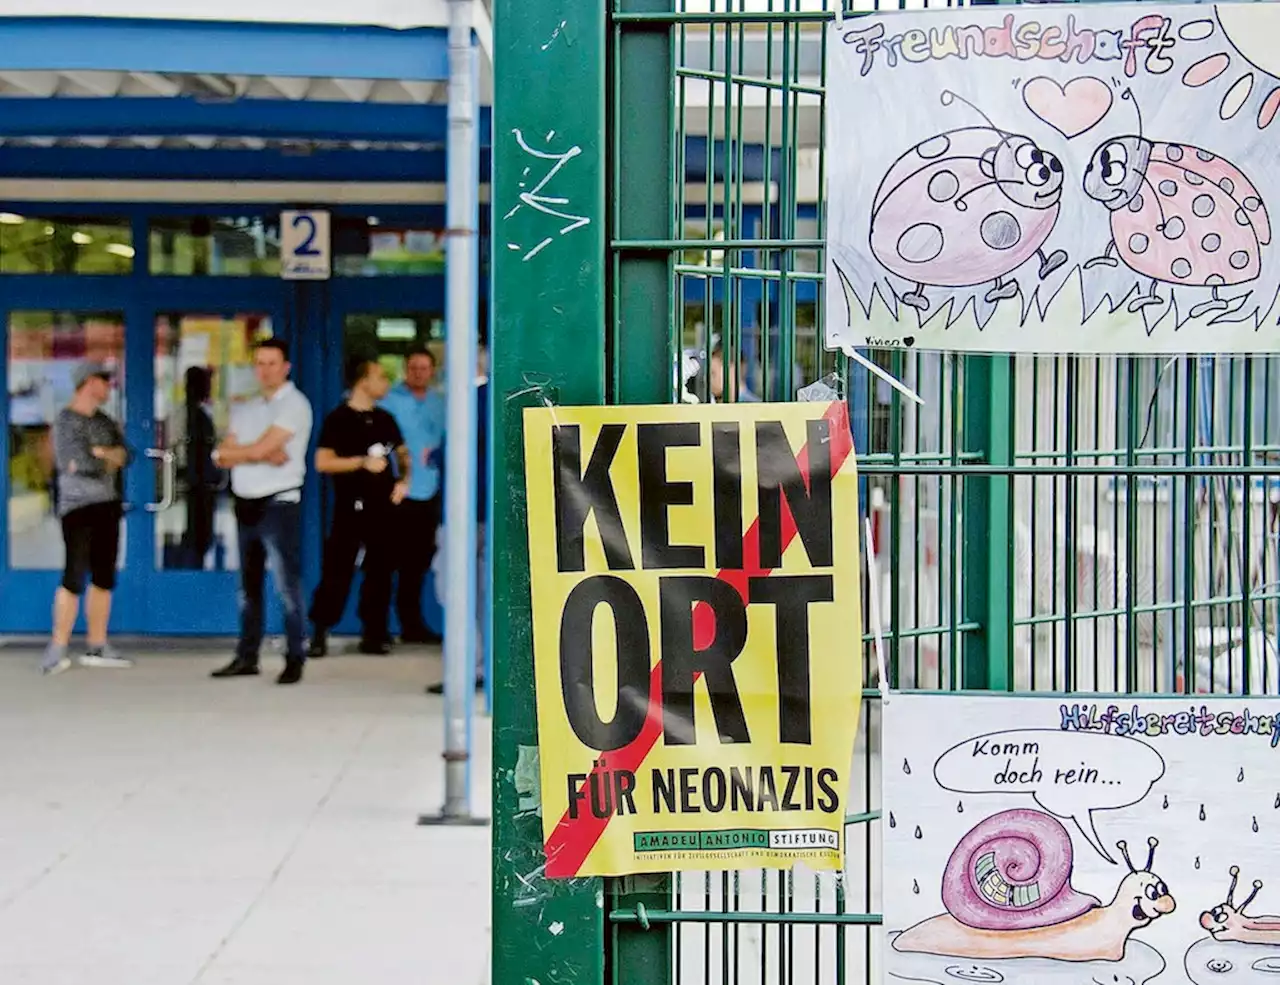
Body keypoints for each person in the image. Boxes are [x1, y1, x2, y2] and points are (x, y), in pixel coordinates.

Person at [208, 339, 313, 685]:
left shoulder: (294, 405)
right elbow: (220, 453)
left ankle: (295, 657)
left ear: (286, 367)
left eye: (272, 363)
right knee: (247, 587)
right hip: (246, 503)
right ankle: (247, 656)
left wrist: (250, 451)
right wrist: (253, 452)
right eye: (260, 363)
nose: (265, 369)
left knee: (286, 585)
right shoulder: (246, 408)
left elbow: (259, 448)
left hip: (278, 503)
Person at [306, 355, 411, 657]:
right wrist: (361, 462)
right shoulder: (338, 419)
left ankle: (375, 634)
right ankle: (320, 630)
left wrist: (403, 481)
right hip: (350, 508)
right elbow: (322, 462)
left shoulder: (384, 419)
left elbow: (403, 454)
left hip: (383, 508)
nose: (386, 383)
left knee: (381, 571)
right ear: (363, 380)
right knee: (338, 570)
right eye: (380, 376)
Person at [41, 361, 133, 675]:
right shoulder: (66, 421)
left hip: (107, 504)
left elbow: (126, 455)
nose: (109, 386)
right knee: (74, 575)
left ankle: (97, 644)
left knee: (104, 577)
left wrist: (102, 453)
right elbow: (77, 463)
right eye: (104, 380)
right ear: (88, 382)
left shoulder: (105, 421)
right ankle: (58, 647)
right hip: (78, 509)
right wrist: (103, 457)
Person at [426, 350, 488, 694]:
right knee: (479, 592)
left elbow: (460, 451)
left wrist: (435, 454)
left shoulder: (469, 401)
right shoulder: (490, 397)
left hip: (463, 513)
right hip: (481, 512)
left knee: (454, 590)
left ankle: (469, 669)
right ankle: (479, 666)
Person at [380, 347, 446, 644]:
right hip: (397, 490)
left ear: (432, 371)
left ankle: (412, 625)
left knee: (419, 561)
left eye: (424, 368)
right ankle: (378, 628)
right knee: (387, 559)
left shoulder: (442, 402)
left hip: (432, 490)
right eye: (413, 367)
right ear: (405, 369)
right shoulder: (389, 401)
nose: (419, 373)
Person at [181, 366, 220, 569]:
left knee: (197, 537)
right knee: (198, 536)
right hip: (199, 485)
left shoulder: (194, 413)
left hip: (198, 483)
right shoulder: (196, 416)